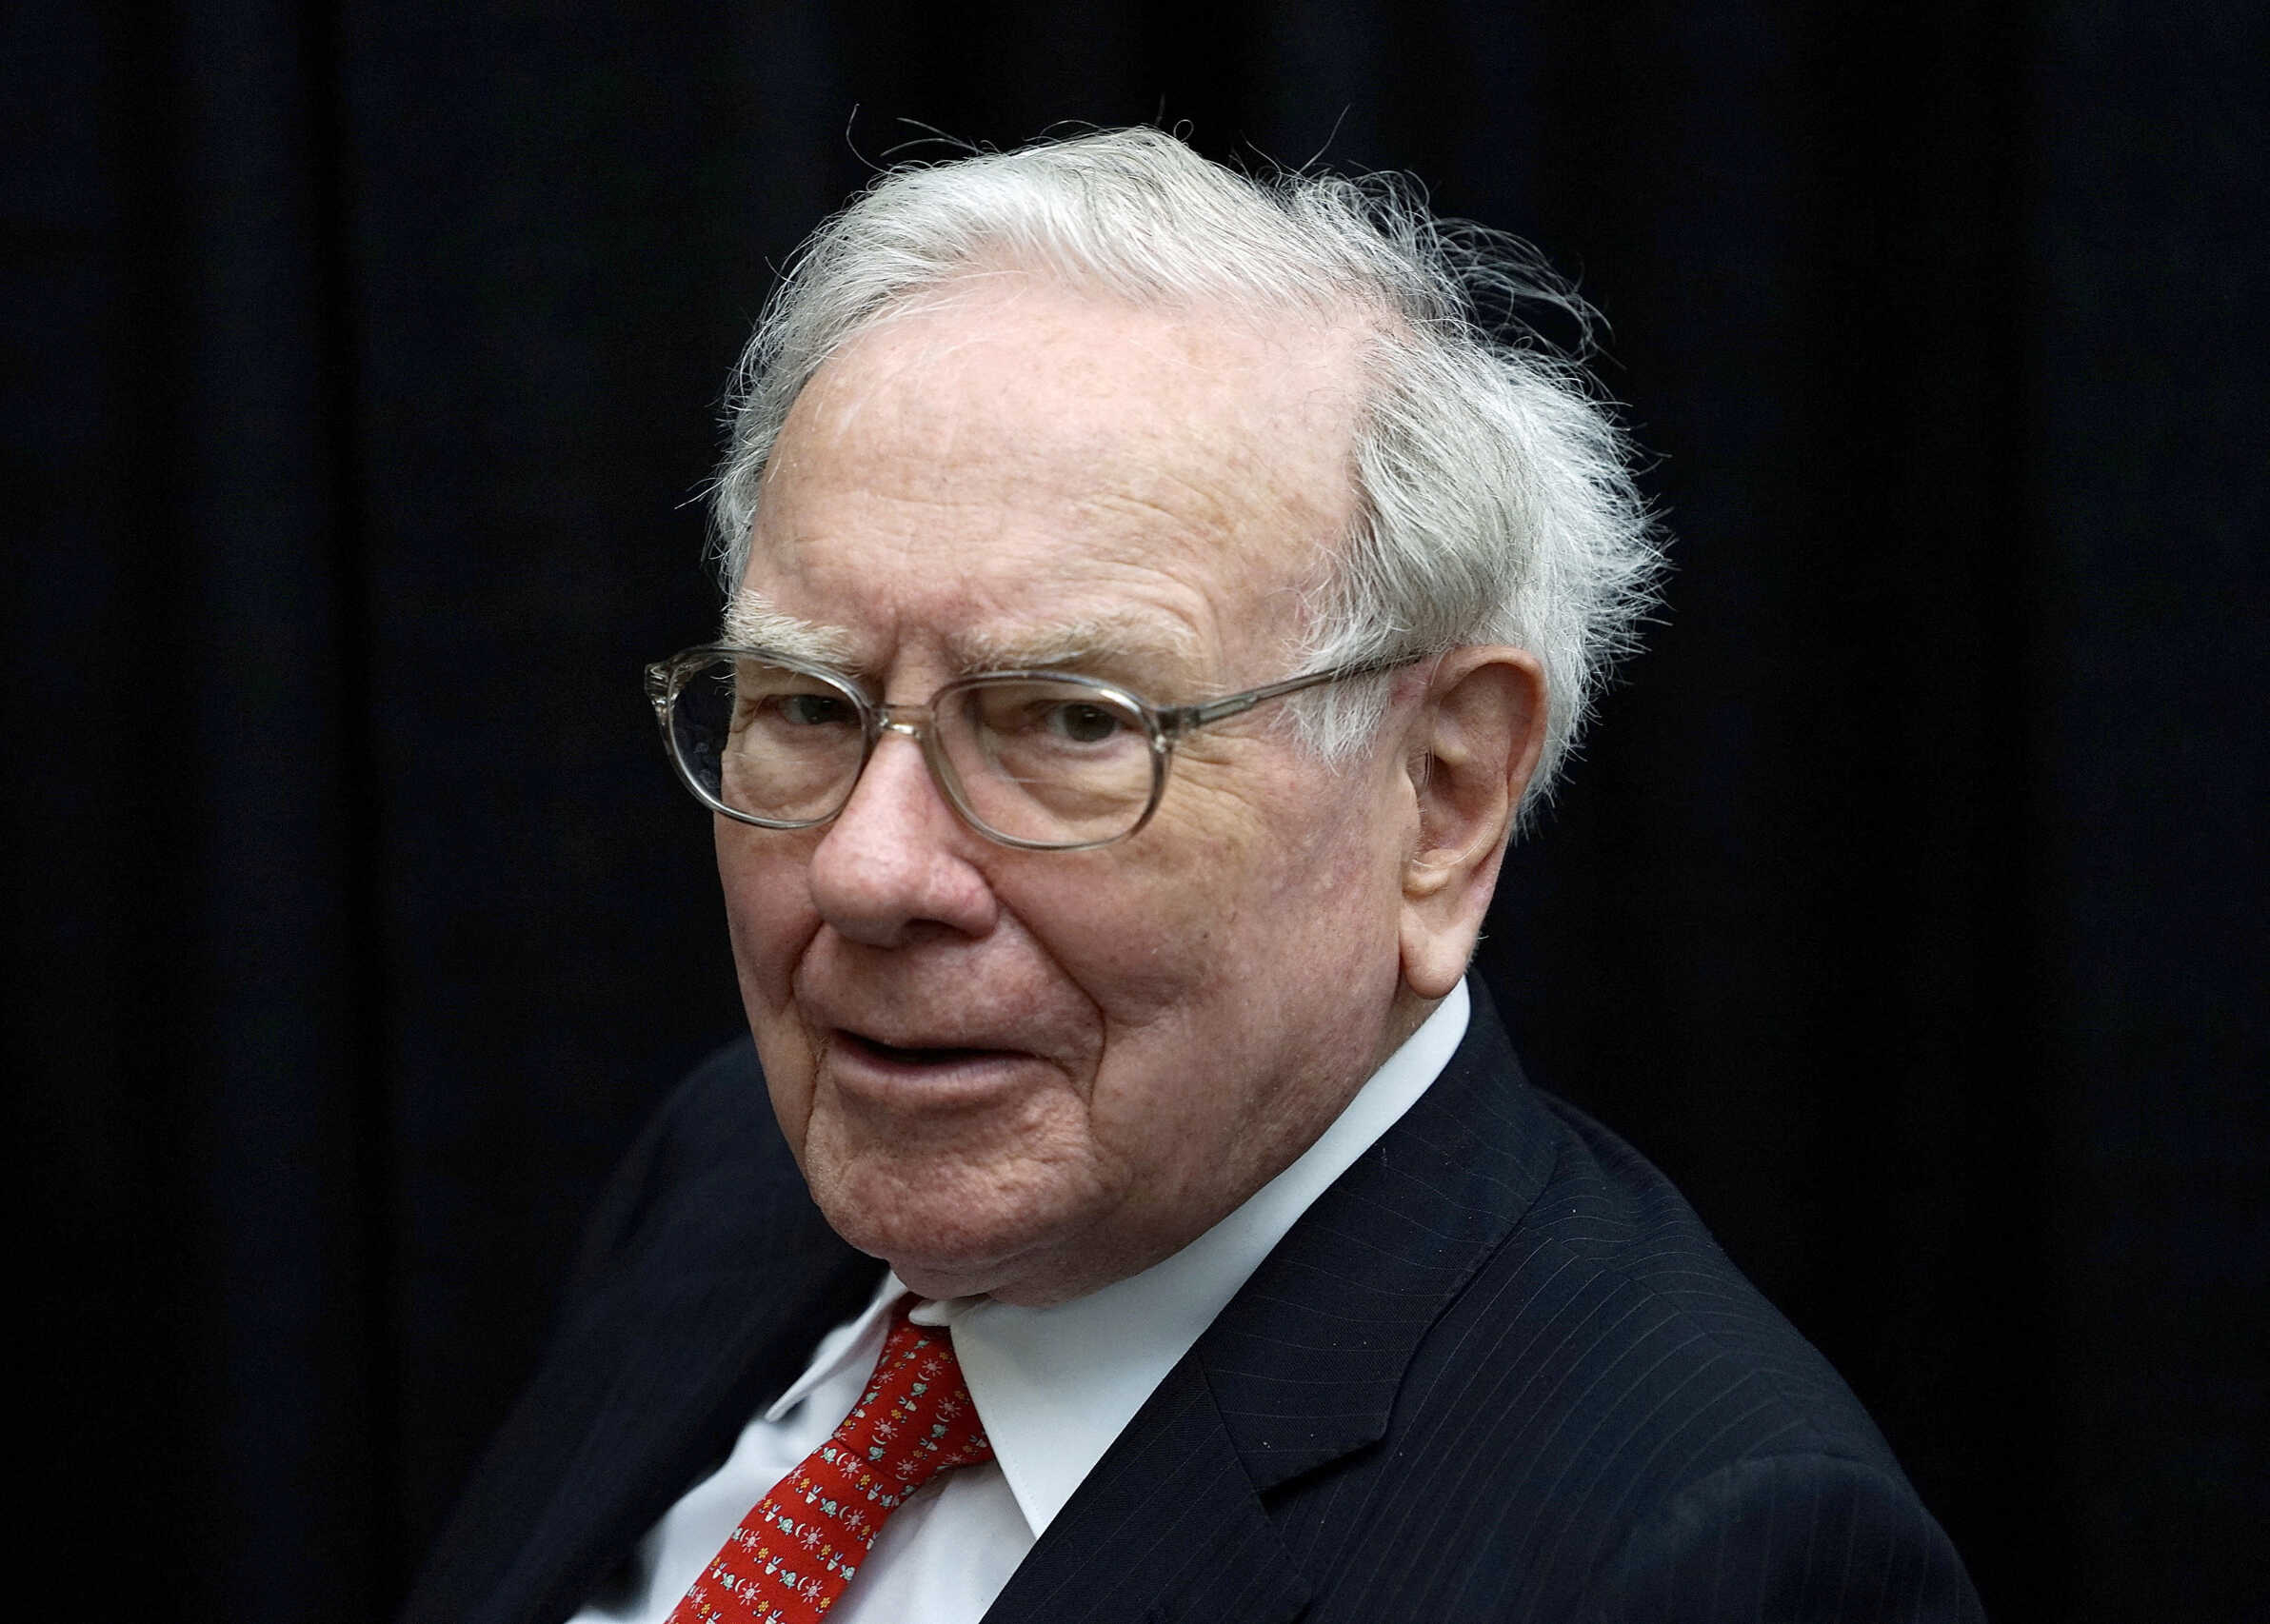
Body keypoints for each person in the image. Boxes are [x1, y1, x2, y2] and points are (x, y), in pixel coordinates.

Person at [399, 129, 1981, 1624]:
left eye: (1069, 724)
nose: (869, 869)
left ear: (1443, 797)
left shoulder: (1699, 1555)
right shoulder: (730, 1166)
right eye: (808, 706)